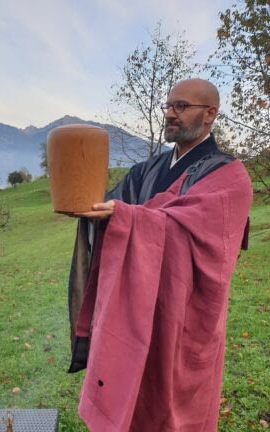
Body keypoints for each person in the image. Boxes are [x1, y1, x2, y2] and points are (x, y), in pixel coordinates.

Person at [67, 79, 252, 431]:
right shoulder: (146, 170)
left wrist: (127, 217)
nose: (170, 114)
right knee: (132, 395)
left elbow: (200, 233)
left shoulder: (229, 176)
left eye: (181, 107)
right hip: (134, 308)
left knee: (176, 406)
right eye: (167, 106)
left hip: (184, 314)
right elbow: (109, 208)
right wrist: (84, 205)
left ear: (210, 113)